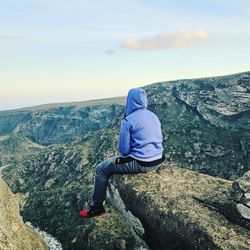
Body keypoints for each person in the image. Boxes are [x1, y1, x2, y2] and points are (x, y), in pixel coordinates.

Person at [80, 88, 165, 218]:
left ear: (130, 101)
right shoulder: (153, 116)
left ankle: (96, 208)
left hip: (142, 162)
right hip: (159, 159)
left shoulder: (128, 120)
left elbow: (124, 151)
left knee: (101, 169)